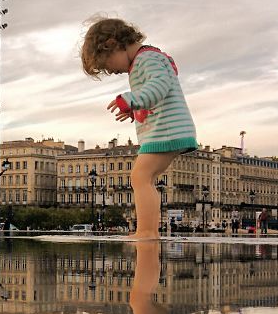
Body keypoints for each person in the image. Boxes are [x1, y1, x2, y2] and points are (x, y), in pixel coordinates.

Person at [82, 18, 198, 240]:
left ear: (113, 43)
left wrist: (131, 99)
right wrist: (134, 109)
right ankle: (148, 230)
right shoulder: (147, 59)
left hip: (166, 131)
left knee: (140, 177)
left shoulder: (147, 59)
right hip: (167, 129)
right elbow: (156, 95)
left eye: (106, 63)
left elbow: (158, 87)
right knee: (145, 178)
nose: (110, 71)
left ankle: (146, 231)